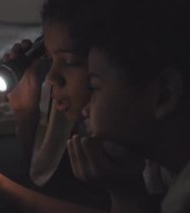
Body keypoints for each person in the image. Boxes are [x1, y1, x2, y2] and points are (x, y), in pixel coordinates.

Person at [0, 0, 111, 212]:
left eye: (70, 62)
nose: (52, 77)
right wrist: (24, 111)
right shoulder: (72, 117)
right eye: (49, 58)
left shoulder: (123, 135)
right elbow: (43, 175)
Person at [66, 0, 190, 212]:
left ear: (164, 95)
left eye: (94, 87)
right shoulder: (166, 173)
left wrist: (125, 198)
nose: (86, 110)